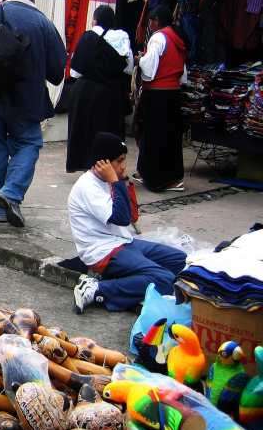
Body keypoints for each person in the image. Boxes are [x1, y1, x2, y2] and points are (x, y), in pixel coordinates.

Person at [0, 0, 66, 227]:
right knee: (29, 144)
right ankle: (11, 192)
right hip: (27, 100)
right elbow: (57, 73)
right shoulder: (44, 24)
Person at [69, 132, 186, 314]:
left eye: (125, 160)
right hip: (103, 250)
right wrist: (116, 181)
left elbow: (132, 216)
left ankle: (134, 287)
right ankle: (97, 289)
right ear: (103, 163)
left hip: (123, 242)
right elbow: (122, 218)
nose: (124, 167)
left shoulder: (109, 180)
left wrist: (121, 181)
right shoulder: (87, 186)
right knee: (165, 279)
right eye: (119, 161)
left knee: (180, 260)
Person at [66, 5, 134, 173]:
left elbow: (75, 72)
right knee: (110, 130)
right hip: (112, 94)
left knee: (86, 132)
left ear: (95, 20)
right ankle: (110, 168)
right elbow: (129, 68)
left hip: (86, 93)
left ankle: (88, 166)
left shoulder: (88, 38)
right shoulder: (122, 39)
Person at [135, 5, 188, 192]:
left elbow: (149, 70)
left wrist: (140, 59)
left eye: (152, 20)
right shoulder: (177, 38)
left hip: (157, 94)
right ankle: (172, 178)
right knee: (170, 137)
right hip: (173, 94)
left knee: (153, 135)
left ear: (158, 21)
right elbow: (183, 74)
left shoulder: (158, 37)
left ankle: (157, 178)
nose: (149, 24)